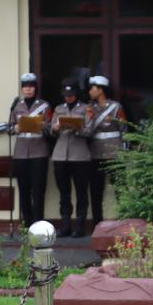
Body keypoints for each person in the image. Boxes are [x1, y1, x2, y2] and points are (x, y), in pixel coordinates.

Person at [7, 72, 52, 229]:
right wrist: (15, 128)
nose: (28, 89)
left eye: (31, 86)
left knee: (38, 190)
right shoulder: (16, 106)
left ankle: (38, 223)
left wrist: (42, 125)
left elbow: (51, 128)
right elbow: (9, 127)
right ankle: (27, 223)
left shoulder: (44, 106)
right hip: (21, 153)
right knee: (24, 190)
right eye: (25, 87)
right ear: (22, 89)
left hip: (39, 151)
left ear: (35, 88)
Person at [82, 74, 126, 230]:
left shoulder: (116, 107)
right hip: (96, 153)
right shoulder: (89, 108)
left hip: (115, 152)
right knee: (96, 191)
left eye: (92, 89)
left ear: (100, 90)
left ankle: (127, 220)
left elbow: (123, 129)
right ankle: (97, 223)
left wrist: (125, 150)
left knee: (120, 188)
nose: (90, 92)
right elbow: (86, 130)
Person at [51, 79, 91, 238]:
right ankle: (65, 225)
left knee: (81, 192)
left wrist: (78, 128)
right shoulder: (58, 109)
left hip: (79, 155)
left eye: (71, 94)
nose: (68, 97)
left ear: (76, 94)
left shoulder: (85, 108)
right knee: (64, 193)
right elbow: (51, 130)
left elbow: (90, 131)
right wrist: (55, 128)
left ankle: (79, 226)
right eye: (66, 95)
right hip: (60, 154)